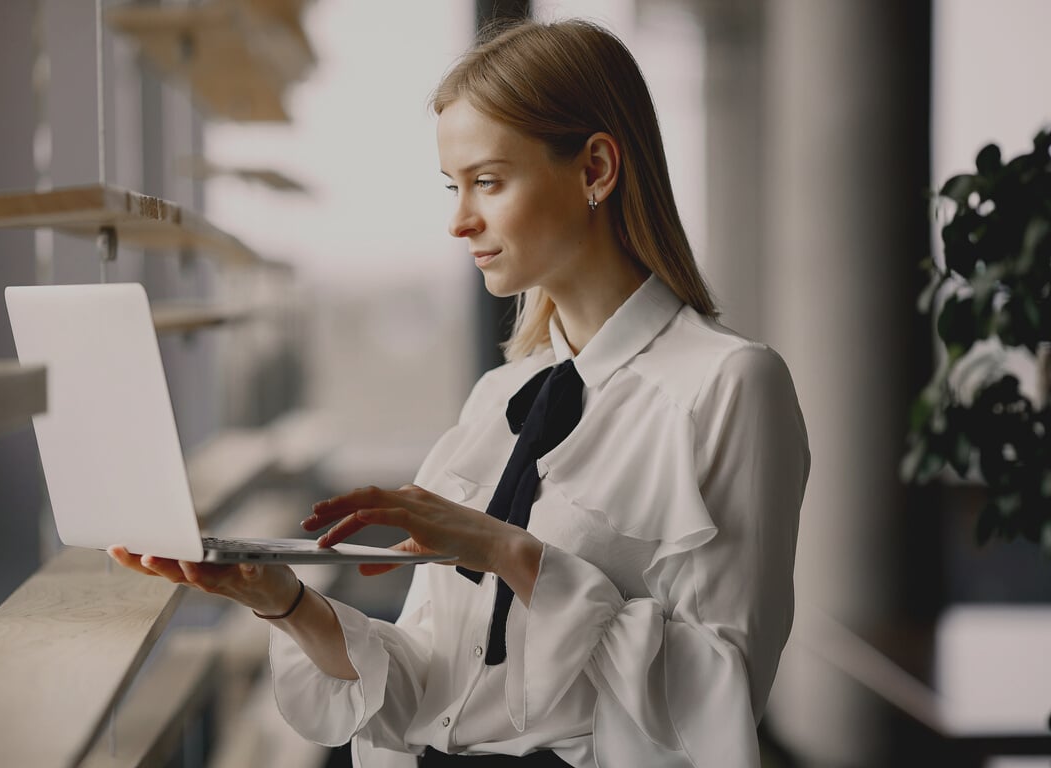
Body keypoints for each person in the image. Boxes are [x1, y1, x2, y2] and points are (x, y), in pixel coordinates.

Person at [110, 18, 810, 768]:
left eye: (488, 180)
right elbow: (426, 688)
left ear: (596, 169)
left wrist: (510, 552)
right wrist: (280, 600)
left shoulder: (729, 385)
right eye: (453, 186)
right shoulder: (496, 400)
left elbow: (720, 704)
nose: (458, 220)